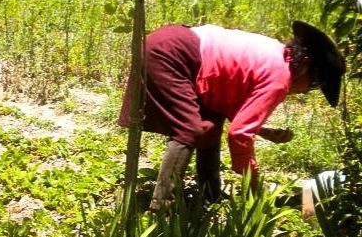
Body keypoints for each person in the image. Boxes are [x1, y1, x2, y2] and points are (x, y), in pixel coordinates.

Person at [119, 21, 345, 210]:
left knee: (210, 123)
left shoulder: (276, 55)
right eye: (314, 83)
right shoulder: (280, 76)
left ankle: (210, 195)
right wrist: (254, 186)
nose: (307, 90)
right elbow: (239, 134)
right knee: (189, 129)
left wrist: (261, 129)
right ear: (305, 64)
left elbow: (228, 95)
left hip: (173, 44)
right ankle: (162, 207)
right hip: (171, 54)